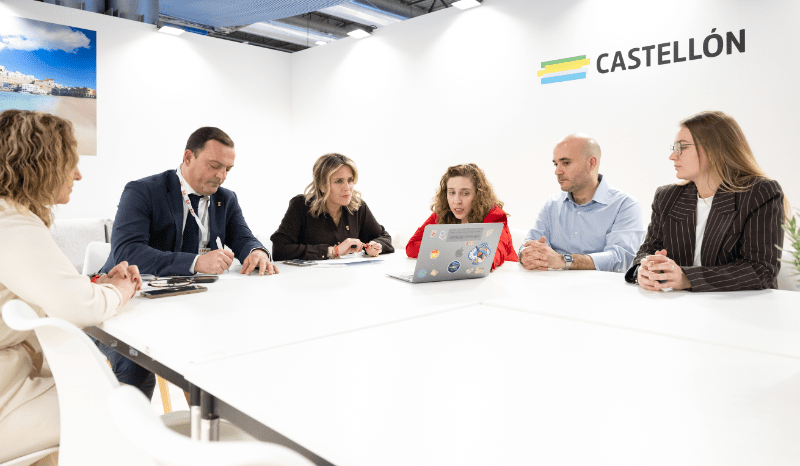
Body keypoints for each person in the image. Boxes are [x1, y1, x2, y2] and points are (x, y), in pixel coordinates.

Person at [0, 110, 141, 462]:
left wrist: (94, 283)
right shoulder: (11, 222)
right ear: (41, 164)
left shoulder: (12, 215)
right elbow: (79, 308)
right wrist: (120, 291)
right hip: (6, 393)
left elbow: (36, 286)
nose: (78, 174)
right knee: (121, 410)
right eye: (71, 163)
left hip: (13, 375)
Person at [97, 126, 275, 399]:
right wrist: (196, 262)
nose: (221, 176)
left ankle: (206, 420)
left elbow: (244, 238)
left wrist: (257, 251)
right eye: (214, 166)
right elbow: (127, 251)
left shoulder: (226, 199)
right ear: (188, 157)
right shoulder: (143, 191)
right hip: (131, 303)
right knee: (136, 363)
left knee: (220, 353)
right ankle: (130, 424)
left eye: (228, 169)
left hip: (190, 304)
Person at [627, 111, 788, 292]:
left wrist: (688, 278)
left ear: (714, 149)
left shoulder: (760, 193)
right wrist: (643, 270)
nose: (672, 156)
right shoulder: (667, 197)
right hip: (675, 304)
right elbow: (648, 250)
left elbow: (760, 270)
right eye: (674, 147)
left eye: (682, 147)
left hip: (739, 305)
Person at [519, 134, 644, 272]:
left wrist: (563, 260)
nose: (557, 171)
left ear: (591, 163)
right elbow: (529, 244)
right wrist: (525, 255)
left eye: (566, 163)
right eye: (556, 164)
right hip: (550, 283)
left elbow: (620, 259)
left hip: (600, 285)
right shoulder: (551, 204)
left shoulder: (625, 205)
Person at [271, 153, 394, 260]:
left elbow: (384, 237)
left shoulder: (358, 206)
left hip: (348, 276)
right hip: (309, 277)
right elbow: (280, 249)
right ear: (322, 186)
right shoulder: (300, 205)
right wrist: (333, 251)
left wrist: (376, 246)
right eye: (339, 181)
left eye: (350, 180)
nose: (347, 188)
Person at [406, 163, 518, 270]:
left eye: (465, 193)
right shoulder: (443, 212)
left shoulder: (495, 215)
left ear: (478, 195)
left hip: (503, 279)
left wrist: (442, 250)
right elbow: (411, 246)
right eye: (451, 192)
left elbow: (490, 258)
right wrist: (454, 251)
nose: (456, 201)